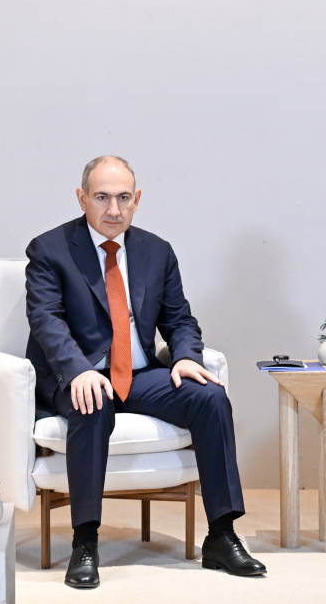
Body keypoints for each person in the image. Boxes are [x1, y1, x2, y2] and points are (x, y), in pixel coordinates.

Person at [25, 156, 266, 588]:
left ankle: (222, 536)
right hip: (80, 376)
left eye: (123, 198)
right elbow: (47, 321)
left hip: (139, 375)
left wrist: (187, 356)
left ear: (137, 200)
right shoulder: (50, 249)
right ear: (82, 198)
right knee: (92, 398)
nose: (113, 209)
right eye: (102, 197)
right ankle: (85, 542)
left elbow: (180, 320)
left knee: (210, 396)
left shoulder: (157, 252)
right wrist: (78, 370)